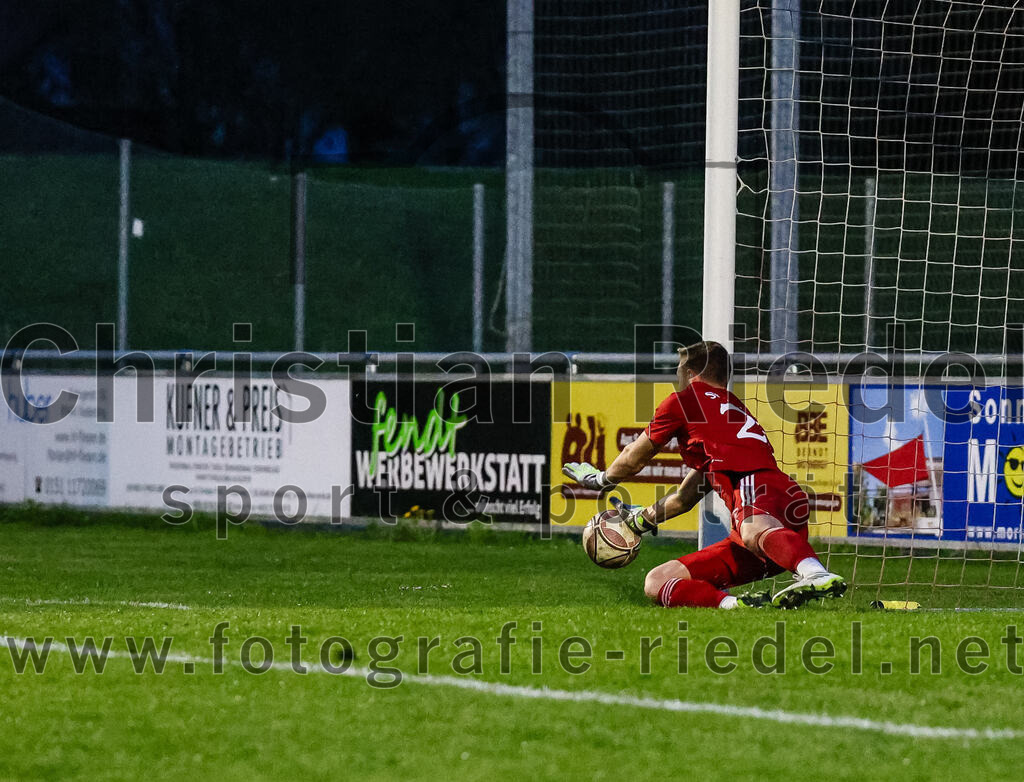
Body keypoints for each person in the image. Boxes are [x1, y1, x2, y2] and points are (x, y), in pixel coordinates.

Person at [562, 340, 846, 610]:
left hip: (758, 499)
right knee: (656, 581)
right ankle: (736, 606)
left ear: (689, 372)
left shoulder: (683, 401)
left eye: (678, 370)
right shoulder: (730, 411)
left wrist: (601, 480)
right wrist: (639, 522)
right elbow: (685, 498)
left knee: (751, 531)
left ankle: (815, 573)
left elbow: (633, 459)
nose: (677, 377)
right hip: (776, 528)